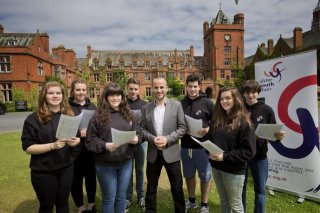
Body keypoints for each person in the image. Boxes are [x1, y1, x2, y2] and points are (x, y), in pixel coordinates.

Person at [21, 81, 81, 212]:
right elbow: (28, 147)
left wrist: (75, 142)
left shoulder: (69, 115)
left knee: (63, 203)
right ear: (44, 96)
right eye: (51, 93)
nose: (55, 96)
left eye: (58, 93)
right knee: (47, 206)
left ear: (63, 96)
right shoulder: (33, 119)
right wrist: (52, 146)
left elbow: (76, 137)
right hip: (44, 171)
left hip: (66, 168)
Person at [85, 82, 141, 213]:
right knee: (109, 199)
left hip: (126, 163)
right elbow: (90, 141)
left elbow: (138, 132)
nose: (115, 98)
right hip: (105, 165)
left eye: (118, 95)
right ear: (106, 97)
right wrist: (105, 145)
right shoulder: (97, 116)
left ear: (122, 96)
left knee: (121, 198)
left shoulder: (129, 114)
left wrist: (136, 139)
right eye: (112, 95)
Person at [141, 76, 187, 213]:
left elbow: (182, 128)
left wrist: (167, 139)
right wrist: (152, 139)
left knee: (177, 187)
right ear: (152, 88)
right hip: (153, 153)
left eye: (162, 87)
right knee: (151, 187)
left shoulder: (177, 105)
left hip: (172, 152)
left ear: (167, 88)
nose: (159, 90)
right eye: (156, 87)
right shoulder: (146, 108)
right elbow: (141, 129)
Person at [207, 86, 256, 213]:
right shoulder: (217, 119)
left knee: (235, 205)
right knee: (223, 201)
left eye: (228, 98)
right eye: (221, 99)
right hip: (217, 167)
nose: (224, 101)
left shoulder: (244, 122)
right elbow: (211, 139)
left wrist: (224, 156)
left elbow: (249, 151)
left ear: (236, 99)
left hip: (234, 170)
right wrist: (209, 150)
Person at [241, 80, 284, 213]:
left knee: (260, 190)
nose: (250, 95)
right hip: (241, 154)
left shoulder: (266, 110)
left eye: (253, 92)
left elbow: (273, 132)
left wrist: (278, 137)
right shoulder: (239, 109)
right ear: (243, 94)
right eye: (247, 92)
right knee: (240, 189)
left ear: (258, 92)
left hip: (259, 156)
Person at [180, 74, 214, 213]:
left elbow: (217, 122)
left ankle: (204, 205)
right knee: (188, 175)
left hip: (203, 146)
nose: (192, 89)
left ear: (200, 87)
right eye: (190, 86)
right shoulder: (181, 104)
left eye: (195, 86)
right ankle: (192, 201)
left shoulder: (208, 103)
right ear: (186, 87)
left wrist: (208, 129)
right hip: (186, 145)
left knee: (205, 176)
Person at [69, 79, 98, 213]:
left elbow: (99, 127)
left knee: (91, 178)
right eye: (78, 90)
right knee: (76, 180)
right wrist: (79, 133)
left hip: (90, 151)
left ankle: (92, 204)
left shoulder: (93, 107)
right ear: (73, 91)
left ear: (87, 91)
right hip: (73, 151)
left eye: (83, 90)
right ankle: (80, 207)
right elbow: (62, 130)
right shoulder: (66, 108)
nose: (81, 92)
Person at [125, 78, 147, 212]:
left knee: (139, 170)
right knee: (127, 171)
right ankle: (127, 198)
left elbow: (146, 126)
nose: (133, 91)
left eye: (135, 89)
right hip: (126, 143)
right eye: (131, 89)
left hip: (141, 143)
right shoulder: (122, 104)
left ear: (139, 89)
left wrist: (139, 138)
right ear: (127, 89)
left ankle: (140, 196)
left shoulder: (144, 105)